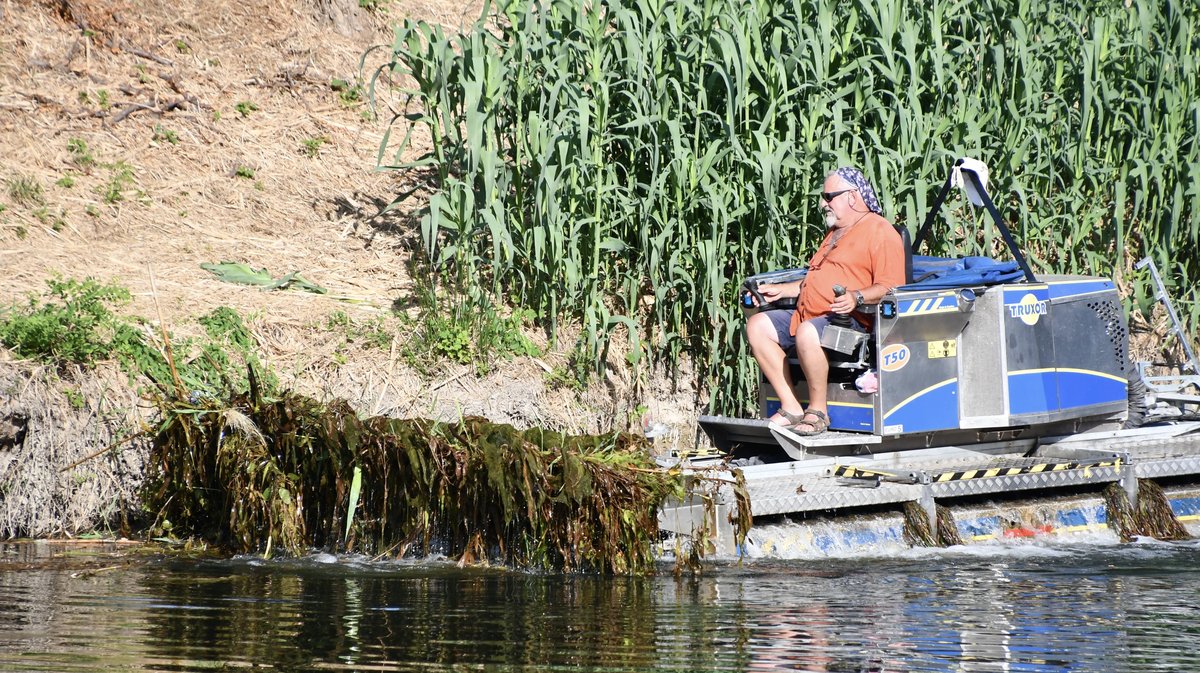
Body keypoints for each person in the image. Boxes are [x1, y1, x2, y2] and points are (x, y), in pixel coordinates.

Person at [745, 167, 905, 435]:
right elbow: (816, 280)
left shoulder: (880, 231)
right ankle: (791, 407)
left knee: (809, 332)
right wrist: (782, 290)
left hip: (851, 321)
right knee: (758, 325)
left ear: (853, 197)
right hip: (810, 314)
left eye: (829, 196)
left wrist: (857, 296)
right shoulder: (835, 233)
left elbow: (892, 285)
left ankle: (818, 412)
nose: (823, 203)